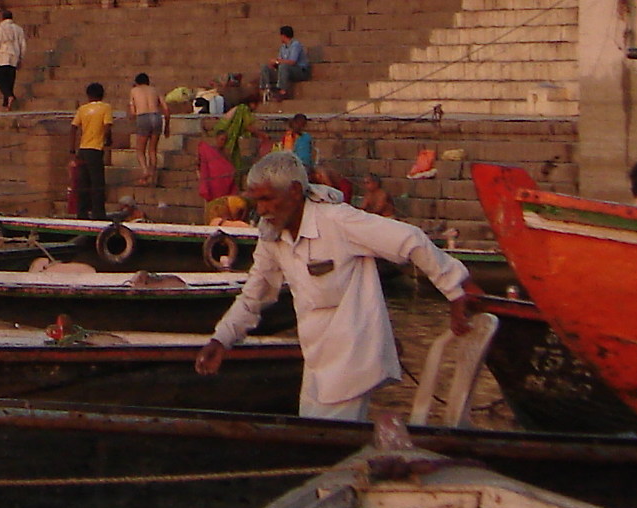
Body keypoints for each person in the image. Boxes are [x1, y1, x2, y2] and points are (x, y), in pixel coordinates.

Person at [196, 150, 478, 420]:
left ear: (294, 191)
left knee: (327, 441)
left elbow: (409, 239)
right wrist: (222, 338)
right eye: (257, 201)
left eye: (268, 199)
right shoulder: (272, 237)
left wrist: (455, 290)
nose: (262, 210)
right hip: (317, 359)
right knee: (317, 436)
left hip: (353, 358)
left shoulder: (336, 221)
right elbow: (255, 295)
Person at [70, 82, 114, 219]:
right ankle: (98, 214)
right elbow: (107, 126)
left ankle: (81, 213)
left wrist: (72, 149)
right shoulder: (106, 107)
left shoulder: (82, 109)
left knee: (83, 183)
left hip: (82, 150)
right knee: (97, 183)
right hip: (95, 149)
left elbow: (73, 128)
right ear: (102, 95)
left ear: (88, 95)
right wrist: (107, 140)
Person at [196, 123, 241, 224]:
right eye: (221, 140)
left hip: (224, 187)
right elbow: (201, 164)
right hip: (211, 185)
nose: (223, 143)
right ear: (216, 139)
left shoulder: (226, 154)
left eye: (225, 140)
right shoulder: (209, 152)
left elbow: (229, 169)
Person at [0, 7, 25, 109]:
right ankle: (7, 103)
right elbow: (23, 45)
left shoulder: (1, 28)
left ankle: (9, 96)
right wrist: (21, 58)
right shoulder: (19, 29)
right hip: (14, 57)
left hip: (3, 56)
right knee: (10, 80)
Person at [128, 71, 165, 181]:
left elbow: (133, 112)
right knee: (153, 150)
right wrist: (167, 126)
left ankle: (145, 171)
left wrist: (132, 119)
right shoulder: (155, 90)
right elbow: (166, 109)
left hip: (143, 117)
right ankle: (153, 173)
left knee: (140, 150)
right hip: (156, 117)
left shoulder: (134, 90)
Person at [263, 27, 309, 97]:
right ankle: (266, 89)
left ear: (283, 36)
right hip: (286, 69)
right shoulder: (283, 47)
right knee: (265, 68)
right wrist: (274, 64)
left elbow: (292, 61)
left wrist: (277, 61)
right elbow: (280, 60)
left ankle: (283, 91)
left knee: (284, 67)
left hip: (300, 71)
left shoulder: (295, 45)